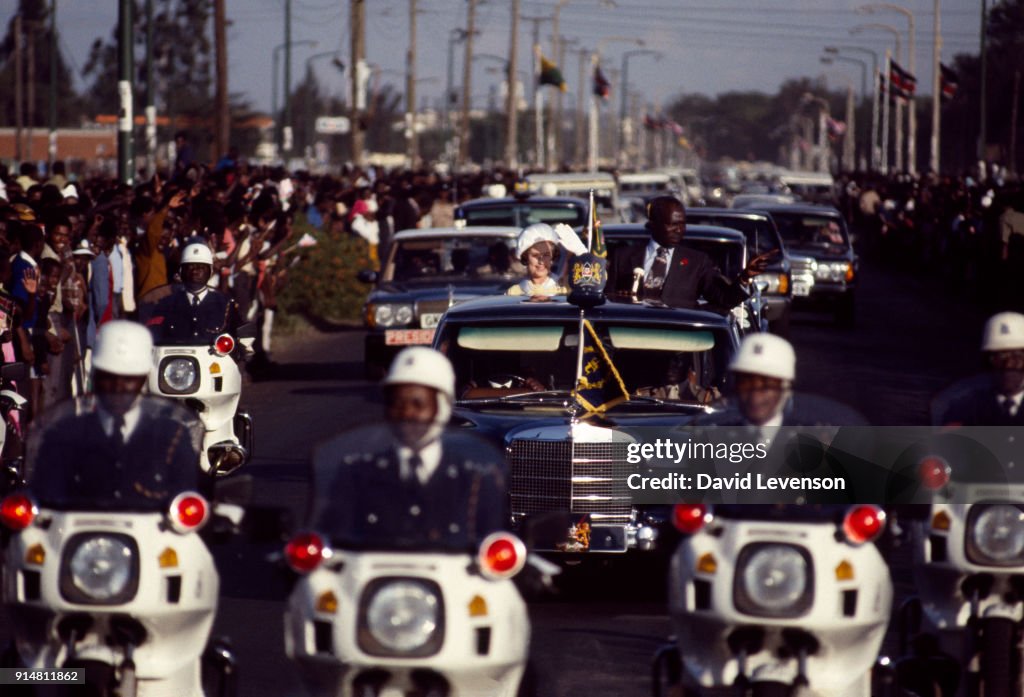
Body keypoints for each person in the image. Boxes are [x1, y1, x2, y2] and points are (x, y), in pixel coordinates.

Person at [314, 347, 508, 547]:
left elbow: (493, 545)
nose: (406, 413)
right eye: (396, 403)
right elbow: (330, 537)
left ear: (440, 407)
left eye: (418, 404)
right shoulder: (356, 473)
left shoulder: (476, 476)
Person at [27, 320, 202, 507]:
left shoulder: (172, 436)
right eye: (109, 377)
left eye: (129, 379)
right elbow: (44, 497)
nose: (118, 387)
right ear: (96, 375)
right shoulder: (64, 434)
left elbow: (187, 498)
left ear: (143, 377)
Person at [608, 195, 774, 309]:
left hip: (678, 351)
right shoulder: (622, 257)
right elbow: (606, 301)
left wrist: (744, 277)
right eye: (672, 224)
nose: (679, 230)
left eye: (682, 224)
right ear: (653, 224)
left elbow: (723, 299)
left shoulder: (697, 262)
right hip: (629, 346)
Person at [146, 241, 242, 345]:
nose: (195, 271)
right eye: (190, 267)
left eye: (201, 267)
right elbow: (152, 337)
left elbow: (239, 338)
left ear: (210, 271)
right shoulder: (166, 304)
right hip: (175, 359)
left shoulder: (225, 304)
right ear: (181, 271)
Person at [938, 312, 1024, 425]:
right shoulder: (962, 409)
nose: (1007, 365)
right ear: (987, 361)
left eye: (1016, 357)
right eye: (999, 357)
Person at [505, 222, 584, 297]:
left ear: (552, 257)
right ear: (526, 257)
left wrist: (583, 254)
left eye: (546, 255)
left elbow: (590, 285)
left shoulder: (565, 286)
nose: (541, 261)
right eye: (535, 255)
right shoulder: (514, 292)